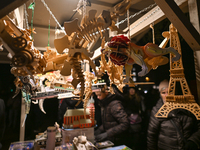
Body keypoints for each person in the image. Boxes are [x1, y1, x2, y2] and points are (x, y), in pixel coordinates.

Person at [147, 79, 200, 150]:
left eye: (170, 92)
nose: (167, 95)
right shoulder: (157, 110)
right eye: (163, 92)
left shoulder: (189, 108)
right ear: (160, 94)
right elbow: (151, 136)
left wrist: (193, 140)